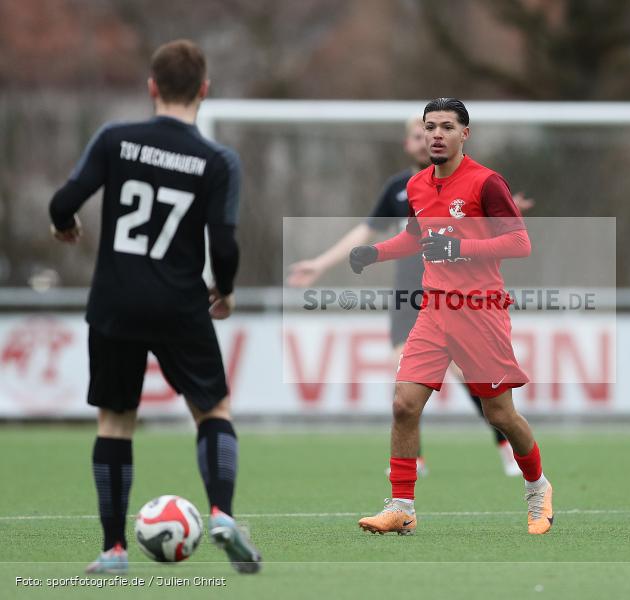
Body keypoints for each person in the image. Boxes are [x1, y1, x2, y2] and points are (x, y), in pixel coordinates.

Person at [48, 39, 261, 573]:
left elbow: (63, 202)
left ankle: (114, 550)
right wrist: (227, 288)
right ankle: (222, 512)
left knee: (116, 424)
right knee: (212, 411)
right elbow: (225, 242)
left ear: (152, 87)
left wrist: (63, 225)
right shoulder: (216, 160)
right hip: (180, 304)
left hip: (115, 303)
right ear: (204, 91)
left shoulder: (115, 139)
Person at [288, 117, 533, 477]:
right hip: (410, 290)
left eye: (434, 132)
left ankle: (506, 447)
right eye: (419, 135)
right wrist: (323, 263)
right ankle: (412, 462)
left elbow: (493, 228)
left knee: (470, 378)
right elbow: (368, 230)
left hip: (459, 293)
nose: (427, 140)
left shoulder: (473, 180)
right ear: (408, 144)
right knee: (402, 377)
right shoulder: (402, 188)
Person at [352, 98, 554, 535]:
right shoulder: (419, 186)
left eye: (446, 126)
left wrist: (459, 248)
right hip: (434, 310)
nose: (437, 134)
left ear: (465, 134)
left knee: (499, 414)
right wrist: (375, 252)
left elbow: (520, 243)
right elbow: (413, 237)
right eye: (430, 127)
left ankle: (538, 488)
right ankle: (401, 506)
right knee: (404, 404)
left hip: (481, 313)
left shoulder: (486, 183)